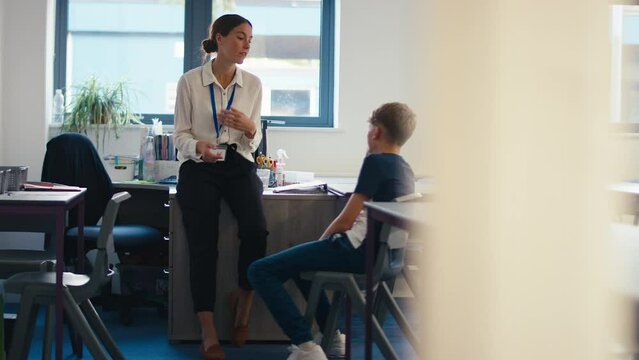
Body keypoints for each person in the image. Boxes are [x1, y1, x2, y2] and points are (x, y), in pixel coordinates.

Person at [248, 102, 417, 360]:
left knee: (259, 270)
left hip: (356, 251)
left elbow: (345, 221)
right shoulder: (405, 169)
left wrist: (321, 242)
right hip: (386, 259)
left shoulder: (376, 162)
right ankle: (332, 338)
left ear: (376, 132)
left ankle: (305, 345)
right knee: (302, 270)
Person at [174, 14, 267, 360]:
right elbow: (180, 135)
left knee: (257, 231)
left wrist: (250, 127)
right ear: (220, 38)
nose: (246, 46)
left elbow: (253, 145)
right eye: (240, 38)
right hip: (200, 167)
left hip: (238, 164)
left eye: (250, 40)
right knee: (203, 242)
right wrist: (198, 147)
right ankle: (208, 328)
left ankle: (243, 299)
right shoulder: (189, 82)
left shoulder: (253, 85)